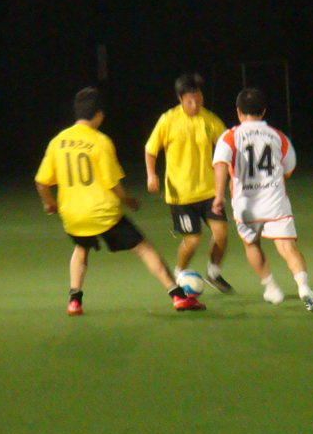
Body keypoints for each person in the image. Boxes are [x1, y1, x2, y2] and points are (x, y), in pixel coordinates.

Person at [35, 87, 206, 315]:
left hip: (73, 215)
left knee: (81, 248)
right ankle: (178, 296)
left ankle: (74, 301)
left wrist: (49, 203)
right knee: (143, 248)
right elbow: (112, 183)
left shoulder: (58, 141)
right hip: (103, 213)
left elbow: (41, 183)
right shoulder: (100, 141)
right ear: (99, 114)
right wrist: (128, 200)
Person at [212, 88, 313, 312]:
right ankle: (303, 286)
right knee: (287, 247)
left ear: (238, 112)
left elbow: (221, 164)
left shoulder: (230, 136)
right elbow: (288, 169)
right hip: (275, 202)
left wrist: (219, 195)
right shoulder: (278, 136)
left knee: (251, 244)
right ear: (263, 111)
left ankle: (271, 287)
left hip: (246, 205)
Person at [144, 73, 235, 293]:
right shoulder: (168, 120)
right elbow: (150, 150)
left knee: (221, 233)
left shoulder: (210, 120)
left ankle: (213, 273)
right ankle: (180, 273)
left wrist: (233, 173)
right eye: (190, 100)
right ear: (180, 99)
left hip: (208, 191)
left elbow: (227, 148)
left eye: (198, 98)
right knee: (193, 240)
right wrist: (151, 175)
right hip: (181, 195)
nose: (195, 104)